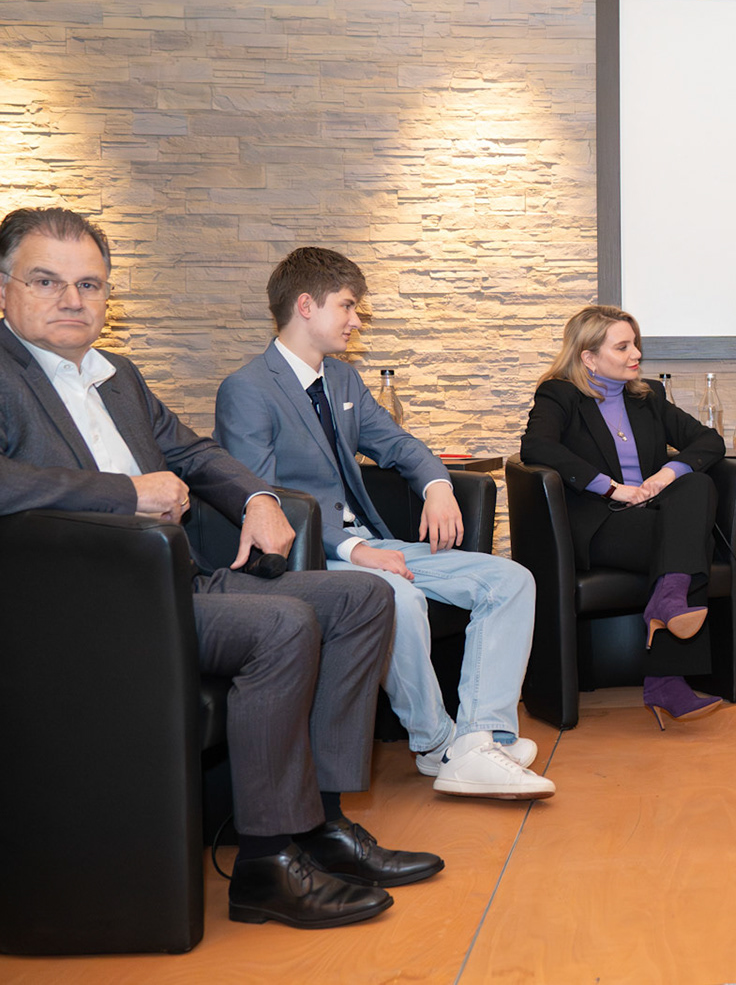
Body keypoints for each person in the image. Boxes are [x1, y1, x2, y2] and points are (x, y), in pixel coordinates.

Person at [0, 206, 441, 929]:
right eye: (46, 280)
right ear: (5, 289)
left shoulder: (117, 376)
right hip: (88, 602)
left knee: (364, 596)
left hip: (177, 580)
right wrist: (127, 493)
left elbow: (194, 453)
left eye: (90, 284)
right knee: (282, 621)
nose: (72, 299)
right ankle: (267, 862)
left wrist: (260, 496)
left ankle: (320, 825)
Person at [216, 247, 554, 800]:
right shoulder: (248, 389)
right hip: (312, 558)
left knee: (511, 580)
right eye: (348, 307)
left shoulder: (343, 380)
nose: (356, 320)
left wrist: (438, 485)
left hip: (376, 541)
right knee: (397, 597)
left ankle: (481, 738)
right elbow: (264, 497)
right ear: (306, 305)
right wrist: (353, 551)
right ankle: (437, 744)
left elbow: (396, 444)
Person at [520, 305, 728, 725]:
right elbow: (537, 449)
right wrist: (611, 486)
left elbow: (708, 441)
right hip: (600, 524)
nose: (636, 354)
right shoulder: (560, 395)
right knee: (691, 539)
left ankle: (667, 599)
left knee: (696, 486)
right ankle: (666, 679)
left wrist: (665, 476)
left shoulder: (647, 396)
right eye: (623, 346)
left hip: (652, 516)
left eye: (636, 344)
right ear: (588, 357)